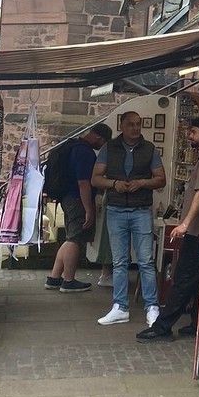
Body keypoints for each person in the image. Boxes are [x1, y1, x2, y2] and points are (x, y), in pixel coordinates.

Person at [138, 116, 199, 343]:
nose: (190, 135)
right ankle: (196, 322)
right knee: (195, 279)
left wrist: (185, 223)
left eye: (194, 131)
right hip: (196, 230)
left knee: (182, 279)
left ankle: (163, 327)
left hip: (197, 231)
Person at [91, 112, 166, 326]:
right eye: (131, 124)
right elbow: (95, 178)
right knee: (120, 261)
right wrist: (114, 184)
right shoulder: (109, 148)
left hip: (141, 208)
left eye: (138, 124)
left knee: (145, 261)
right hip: (116, 208)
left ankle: (152, 307)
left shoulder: (149, 149)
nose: (135, 128)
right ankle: (120, 307)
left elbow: (161, 179)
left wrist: (141, 183)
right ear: (121, 126)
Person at [44, 121, 112, 294]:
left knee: (70, 237)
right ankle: (69, 280)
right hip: (77, 199)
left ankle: (54, 277)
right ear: (98, 136)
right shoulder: (84, 152)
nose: (102, 147)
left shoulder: (73, 145)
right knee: (75, 238)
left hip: (66, 197)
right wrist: (88, 208)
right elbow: (83, 183)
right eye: (104, 142)